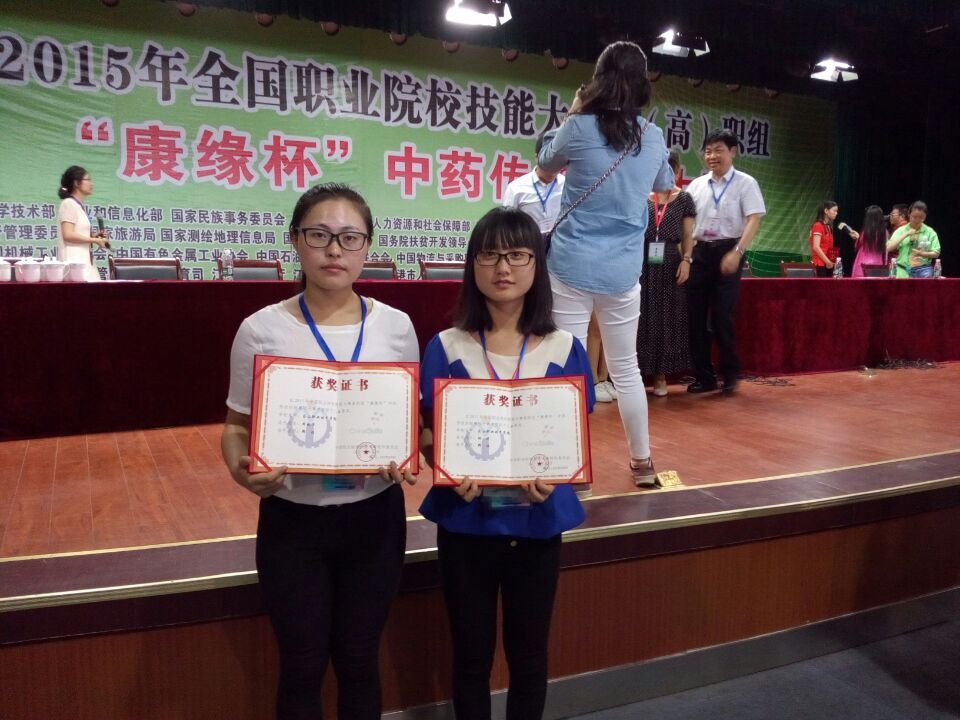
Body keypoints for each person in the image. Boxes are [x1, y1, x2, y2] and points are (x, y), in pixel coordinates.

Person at [220, 183, 419, 719]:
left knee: (359, 660)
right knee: (302, 665)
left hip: (374, 518)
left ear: (367, 245)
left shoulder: (396, 327)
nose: (335, 250)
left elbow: (409, 420)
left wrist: (406, 452)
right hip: (292, 522)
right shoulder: (260, 329)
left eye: (350, 237)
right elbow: (235, 427)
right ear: (295, 240)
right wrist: (244, 474)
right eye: (319, 235)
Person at [419, 207, 591, 720]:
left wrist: (555, 475)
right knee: (470, 658)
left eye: (517, 255)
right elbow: (428, 432)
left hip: (537, 524)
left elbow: (571, 436)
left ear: (537, 264)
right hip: (466, 523)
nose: (503, 267)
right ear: (471, 264)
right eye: (489, 254)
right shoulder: (447, 346)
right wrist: (444, 462)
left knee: (529, 657)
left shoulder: (565, 348)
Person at [538, 40, 673, 488]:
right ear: (642, 82)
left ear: (598, 79)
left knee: (567, 366)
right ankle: (643, 463)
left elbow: (544, 165)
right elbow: (663, 184)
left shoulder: (578, 127)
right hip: (622, 271)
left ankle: (571, 467)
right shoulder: (653, 136)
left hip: (570, 265)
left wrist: (574, 112)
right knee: (626, 369)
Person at [685, 129, 766, 394]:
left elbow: (753, 219)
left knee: (721, 316)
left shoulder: (746, 183)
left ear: (733, 152)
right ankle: (704, 375)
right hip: (699, 253)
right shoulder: (696, 186)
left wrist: (738, 252)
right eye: (708, 151)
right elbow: (688, 223)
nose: (712, 156)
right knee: (695, 317)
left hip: (729, 251)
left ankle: (730, 372)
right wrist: (686, 255)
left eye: (718, 150)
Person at [638, 148, 696, 396]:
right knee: (641, 315)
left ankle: (661, 375)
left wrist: (686, 260)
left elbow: (687, 235)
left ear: (677, 171)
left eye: (669, 170)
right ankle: (635, 374)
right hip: (641, 260)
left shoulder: (684, 199)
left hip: (671, 261)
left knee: (665, 317)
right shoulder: (642, 195)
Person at [57, 166, 108, 281]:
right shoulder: (69, 203)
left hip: (84, 261)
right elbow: (68, 235)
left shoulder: (78, 206)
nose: (91, 184)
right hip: (74, 263)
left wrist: (95, 236)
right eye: (88, 180)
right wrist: (94, 240)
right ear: (76, 183)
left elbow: (78, 233)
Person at [886, 200, 940, 278]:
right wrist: (906, 234)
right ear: (909, 214)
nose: (917, 220)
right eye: (914, 217)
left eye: (921, 218)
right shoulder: (901, 230)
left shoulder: (930, 232)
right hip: (902, 270)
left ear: (925, 217)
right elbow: (888, 248)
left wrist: (922, 254)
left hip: (923, 271)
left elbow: (936, 253)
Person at [851, 205, 889, 277]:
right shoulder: (885, 232)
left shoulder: (866, 232)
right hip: (877, 265)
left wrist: (858, 237)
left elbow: (857, 246)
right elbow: (886, 251)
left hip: (862, 264)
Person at [809, 201, 839, 277]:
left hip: (828, 264)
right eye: (834, 211)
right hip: (819, 264)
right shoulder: (818, 225)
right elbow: (816, 247)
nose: (836, 213)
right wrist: (827, 261)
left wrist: (831, 261)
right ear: (826, 211)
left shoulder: (828, 227)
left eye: (836, 211)